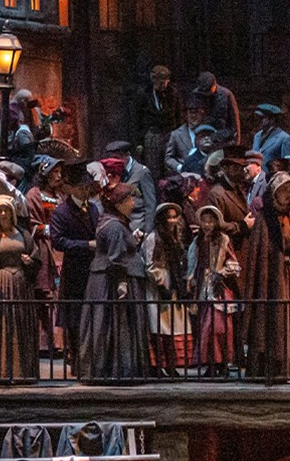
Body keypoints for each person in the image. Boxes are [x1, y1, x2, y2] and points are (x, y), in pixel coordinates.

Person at [243, 173, 290, 382]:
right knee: (278, 321)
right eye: (283, 190)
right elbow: (260, 256)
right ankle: (276, 369)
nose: (286, 195)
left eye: (289, 191)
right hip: (276, 279)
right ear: (274, 192)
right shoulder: (265, 221)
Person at [80, 181, 151, 382]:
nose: (133, 204)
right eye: (129, 199)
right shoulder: (114, 226)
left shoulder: (115, 223)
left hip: (108, 279)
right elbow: (116, 258)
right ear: (118, 203)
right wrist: (122, 283)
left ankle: (114, 369)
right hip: (110, 283)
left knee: (114, 324)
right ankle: (114, 369)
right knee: (113, 324)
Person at [0, 195, 41, 384]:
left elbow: (36, 258)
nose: (3, 214)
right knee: (0, 326)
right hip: (0, 285)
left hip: (20, 286)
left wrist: (30, 262)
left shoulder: (24, 234)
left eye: (6, 210)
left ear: (12, 213)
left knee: (20, 326)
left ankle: (22, 372)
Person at [48, 160, 102, 369]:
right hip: (74, 271)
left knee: (90, 315)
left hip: (91, 269)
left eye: (87, 186)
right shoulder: (62, 212)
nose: (86, 190)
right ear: (71, 189)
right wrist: (86, 245)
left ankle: (90, 360)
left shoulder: (94, 210)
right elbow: (58, 241)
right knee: (74, 319)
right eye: (81, 187)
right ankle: (77, 362)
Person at [189, 203, 242, 376]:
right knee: (206, 328)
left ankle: (223, 364)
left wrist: (222, 272)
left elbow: (233, 263)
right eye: (204, 221)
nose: (207, 225)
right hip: (203, 287)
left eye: (210, 221)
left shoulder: (224, 240)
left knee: (219, 327)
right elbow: (193, 263)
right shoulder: (197, 241)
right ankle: (211, 364)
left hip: (220, 288)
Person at [145, 202, 193, 375]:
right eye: (169, 218)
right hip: (160, 285)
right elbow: (150, 265)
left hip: (174, 283)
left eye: (174, 217)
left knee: (172, 327)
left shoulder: (175, 239)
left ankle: (171, 365)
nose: (172, 221)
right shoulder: (153, 238)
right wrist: (161, 284)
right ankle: (159, 366)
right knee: (159, 327)